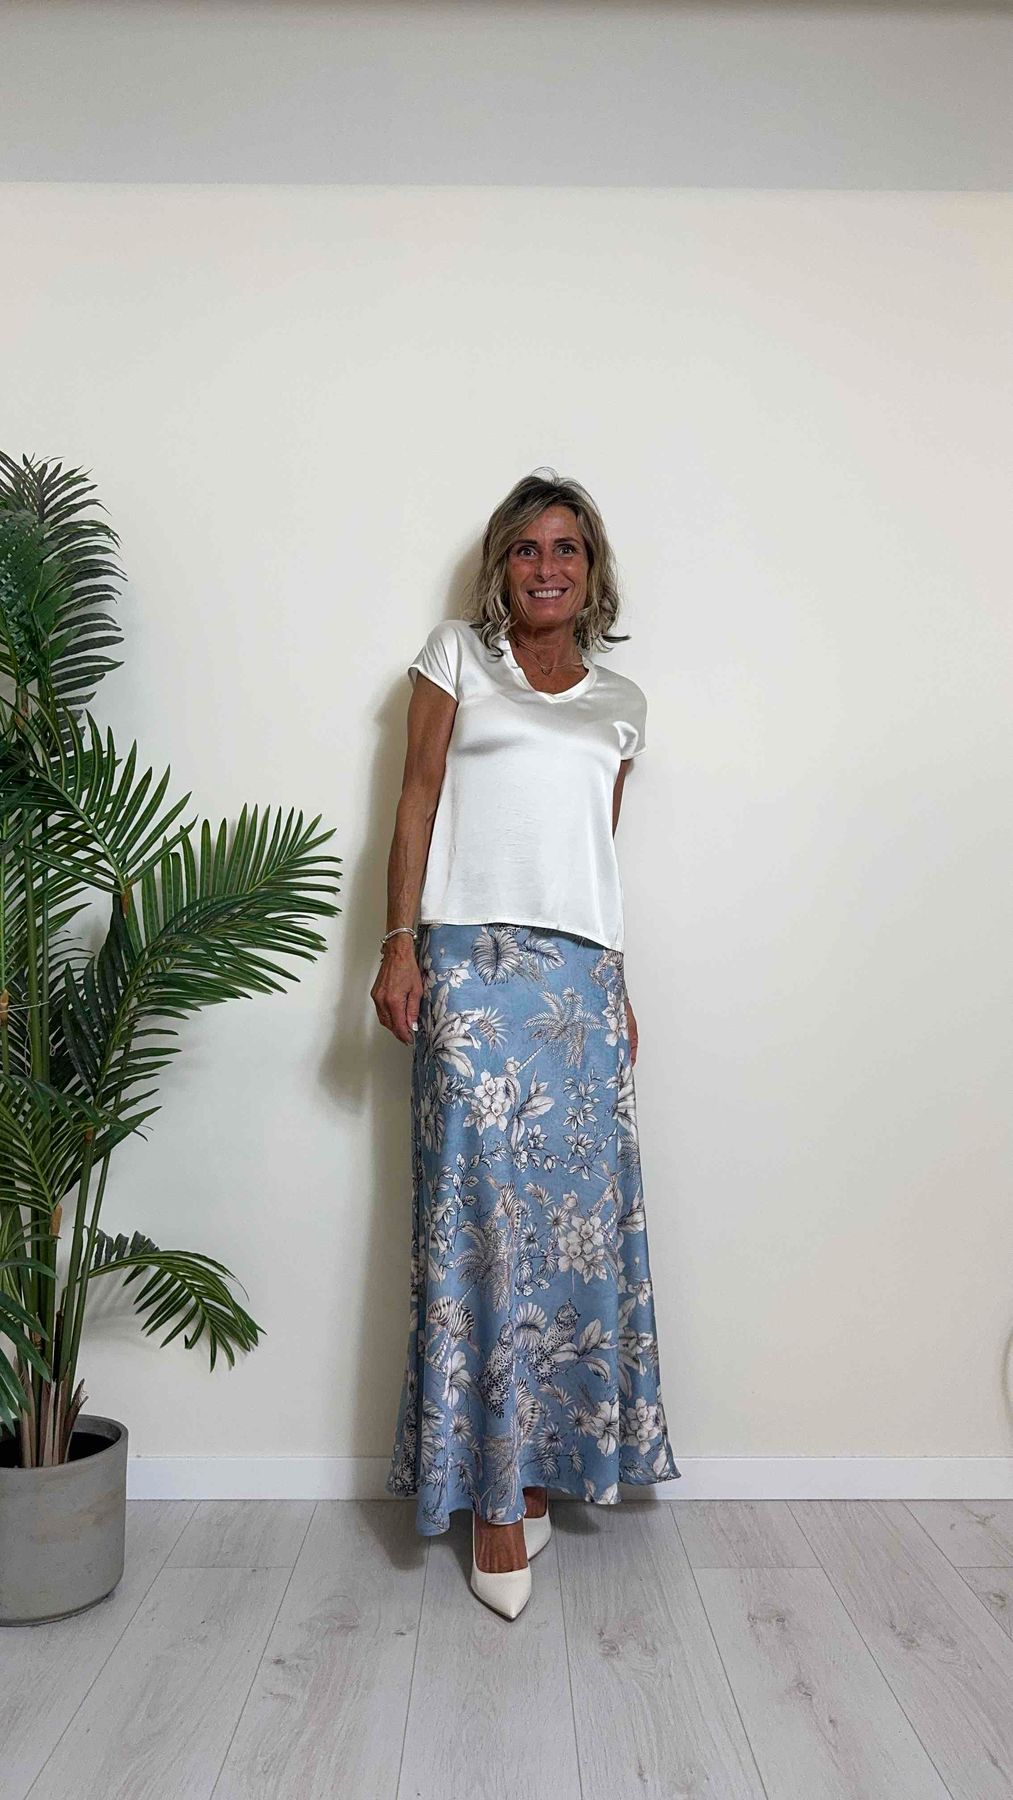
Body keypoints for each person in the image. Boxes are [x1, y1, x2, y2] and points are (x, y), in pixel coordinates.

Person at [375, 468, 681, 1619]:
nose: (546, 567)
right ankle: (489, 1501)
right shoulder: (454, 657)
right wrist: (398, 945)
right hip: (467, 965)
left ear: (590, 570)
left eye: (566, 549)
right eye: (525, 549)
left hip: (580, 984)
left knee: (568, 1235)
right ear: (500, 565)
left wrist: (618, 983)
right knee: (476, 1226)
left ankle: (541, 1466)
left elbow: (591, 852)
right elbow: (414, 801)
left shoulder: (621, 703)